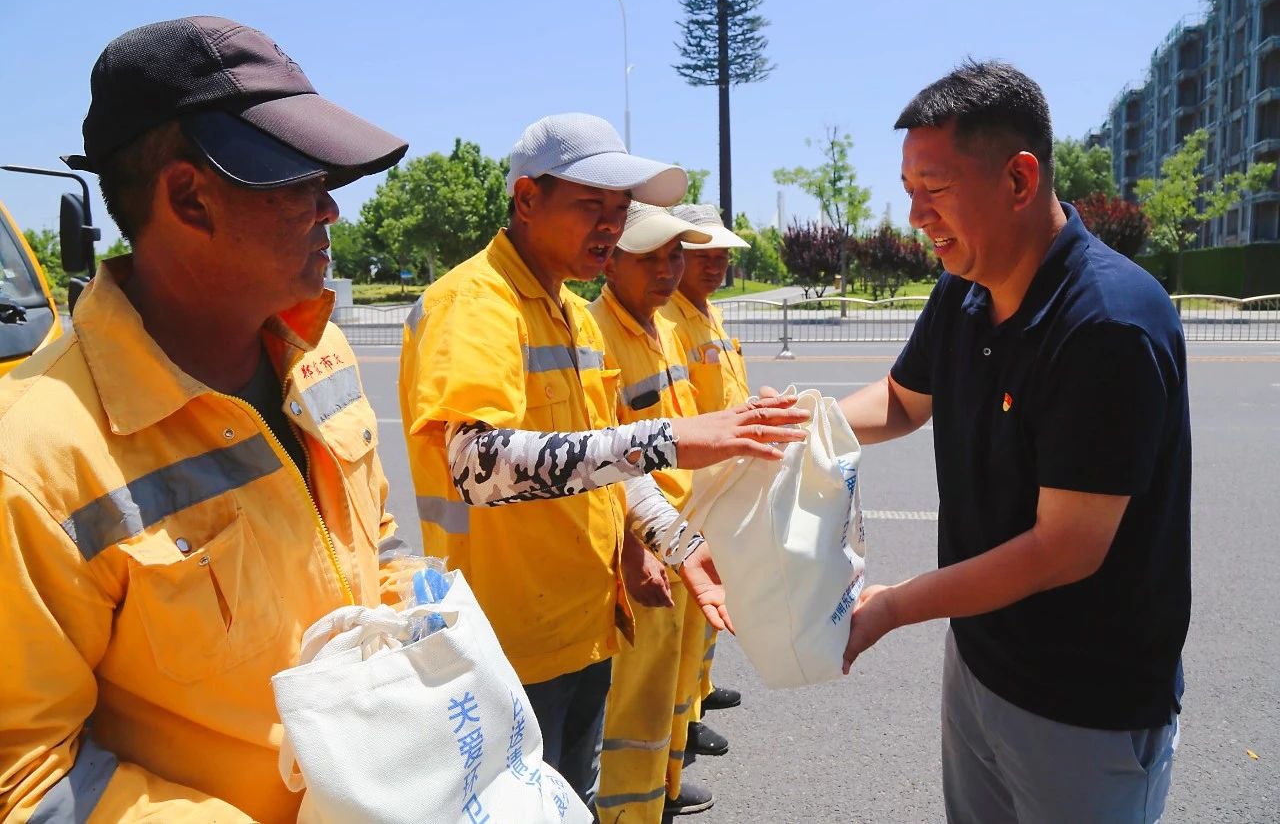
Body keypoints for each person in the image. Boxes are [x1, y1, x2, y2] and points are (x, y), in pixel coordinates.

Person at [0, 16, 410, 822]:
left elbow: (376, 542)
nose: (330, 207)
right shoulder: (38, 461)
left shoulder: (320, 356)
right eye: (297, 179)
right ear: (189, 196)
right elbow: (26, 775)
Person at [398, 113, 807, 809]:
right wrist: (670, 438)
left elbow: (607, 456)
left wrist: (675, 543)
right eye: (592, 206)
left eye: (619, 212)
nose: (611, 228)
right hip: (507, 649)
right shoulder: (473, 305)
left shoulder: (572, 313)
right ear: (527, 199)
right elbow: (476, 463)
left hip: (582, 629)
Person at [835, 60, 1190, 823]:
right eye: (908, 193)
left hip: (1084, 702)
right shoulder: (964, 287)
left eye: (934, 190)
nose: (916, 216)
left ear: (1020, 181)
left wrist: (893, 607)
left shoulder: (1108, 324)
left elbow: (1062, 548)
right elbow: (903, 400)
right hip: (981, 664)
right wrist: (802, 422)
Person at [588, 203, 716, 820]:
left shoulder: (660, 330)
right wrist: (637, 550)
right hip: (642, 551)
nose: (667, 271)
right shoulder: (597, 337)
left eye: (674, 256)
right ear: (609, 261)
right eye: (649, 258)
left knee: (663, 689)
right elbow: (596, 457)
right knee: (629, 705)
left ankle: (658, 792)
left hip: (680, 539)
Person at [664, 203, 753, 756]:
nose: (717, 265)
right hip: (692, 489)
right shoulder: (670, 320)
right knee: (690, 609)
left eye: (723, 256)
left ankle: (700, 687)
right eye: (706, 255)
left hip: (725, 482)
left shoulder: (706, 312)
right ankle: (685, 717)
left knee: (713, 604)